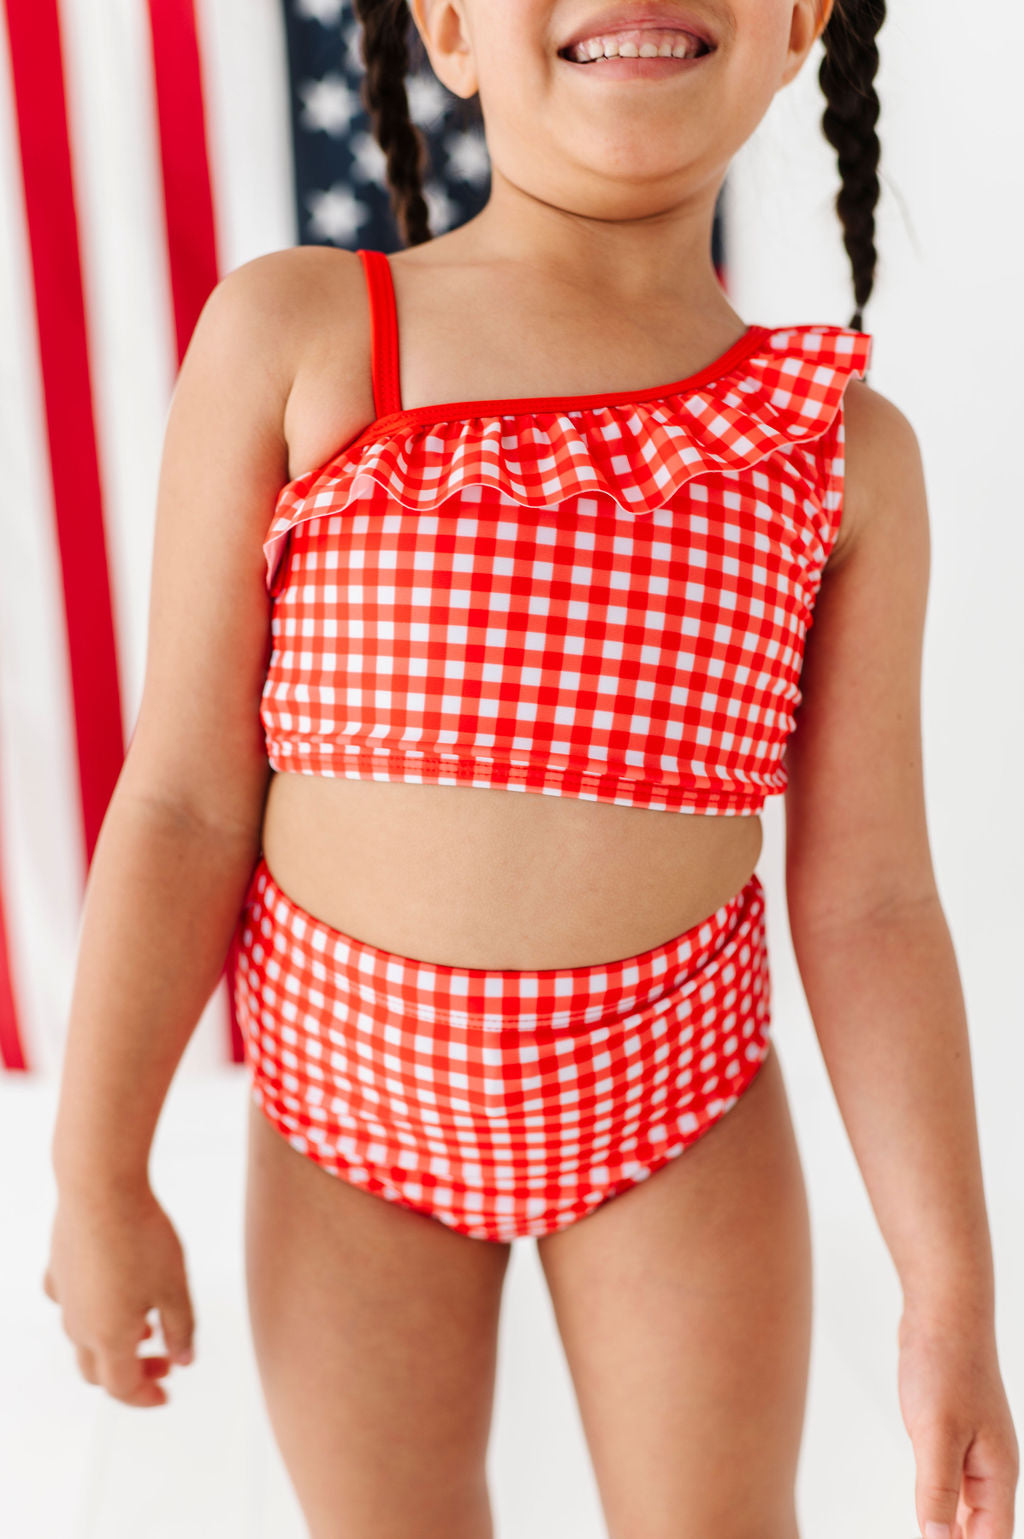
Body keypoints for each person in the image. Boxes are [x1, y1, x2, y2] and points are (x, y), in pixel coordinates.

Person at [42, 2, 1019, 1537]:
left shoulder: (837, 457)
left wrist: (950, 1292)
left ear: (798, 29)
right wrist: (98, 1170)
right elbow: (181, 800)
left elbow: (874, 902)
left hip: (676, 1109)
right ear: (448, 26)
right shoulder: (304, 336)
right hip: (348, 1121)